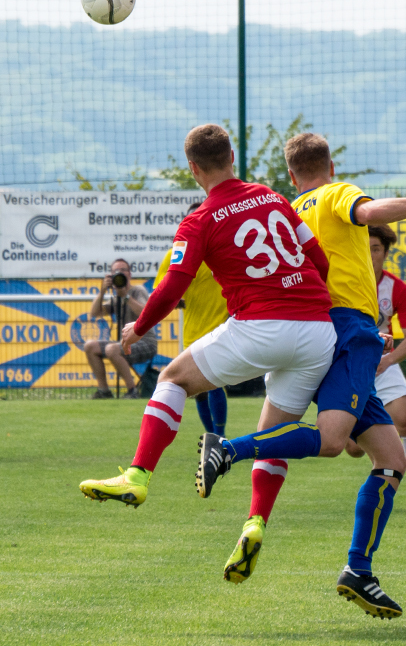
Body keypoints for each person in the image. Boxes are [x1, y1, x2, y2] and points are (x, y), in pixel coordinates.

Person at [198, 133, 406, 619]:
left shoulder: (288, 208)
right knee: (332, 439)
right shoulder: (337, 194)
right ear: (331, 166)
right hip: (348, 328)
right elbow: (370, 213)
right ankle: (227, 449)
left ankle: (345, 563)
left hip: (304, 325)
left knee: (389, 457)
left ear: (292, 174)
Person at [79, 124, 336, 533]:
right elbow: (319, 262)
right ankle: (255, 523)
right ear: (232, 158)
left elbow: (171, 287)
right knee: (270, 434)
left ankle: (138, 475)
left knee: (173, 378)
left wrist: (137, 328)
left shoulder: (199, 220)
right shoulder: (274, 198)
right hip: (319, 332)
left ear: (194, 169)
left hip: (263, 325)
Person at [345, 224, 406, 510]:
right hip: (350, 366)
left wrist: (387, 360)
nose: (370, 254)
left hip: (381, 366)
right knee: (350, 448)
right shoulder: (344, 283)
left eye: (376, 249)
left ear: (385, 253)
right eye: (366, 248)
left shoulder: (395, 288)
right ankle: (381, 462)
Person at [154, 202, 229, 436]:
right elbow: (164, 294)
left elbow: (164, 295)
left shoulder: (223, 250)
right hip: (194, 329)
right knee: (199, 389)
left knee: (214, 382)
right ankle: (214, 435)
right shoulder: (177, 254)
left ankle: (219, 435)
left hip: (224, 328)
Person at [84, 258, 157, 399]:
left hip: (145, 342)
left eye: (123, 270)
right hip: (126, 342)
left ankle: (132, 391)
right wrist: (102, 291)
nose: (119, 273)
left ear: (129, 274)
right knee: (90, 346)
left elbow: (146, 313)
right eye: (115, 271)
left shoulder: (137, 290)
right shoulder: (115, 296)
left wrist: (126, 296)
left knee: (112, 349)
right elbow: (94, 313)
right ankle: (104, 391)